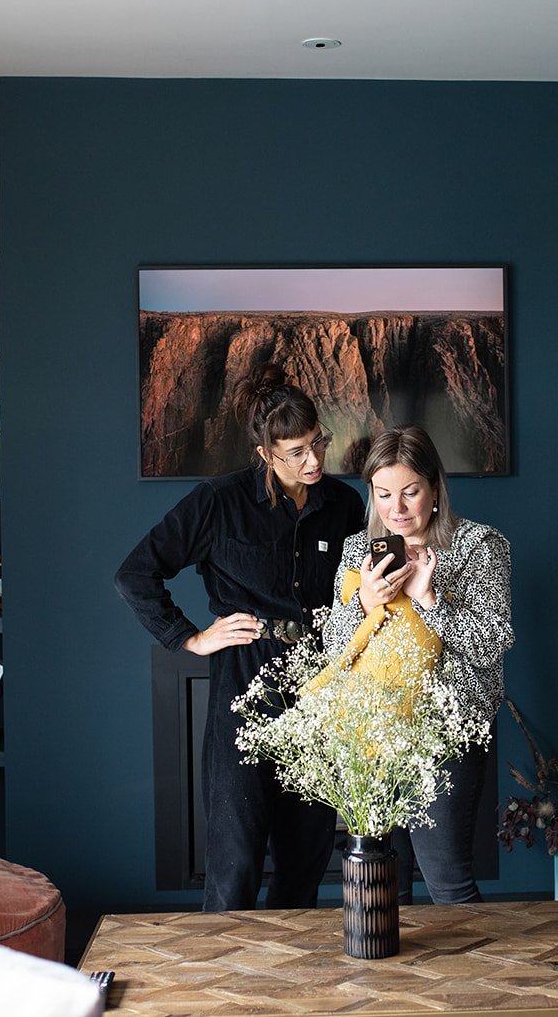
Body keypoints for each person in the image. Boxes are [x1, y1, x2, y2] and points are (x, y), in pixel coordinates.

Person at [114, 364, 364, 912]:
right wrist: (190, 638)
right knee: (236, 861)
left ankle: (288, 968)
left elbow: (357, 595)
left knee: (305, 858)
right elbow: (135, 573)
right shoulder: (218, 502)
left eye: (317, 442)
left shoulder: (345, 506)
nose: (314, 460)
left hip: (320, 690)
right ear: (264, 454)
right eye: (295, 452)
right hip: (244, 685)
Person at [321, 425, 513, 904]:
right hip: (377, 730)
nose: (397, 509)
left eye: (410, 492)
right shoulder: (357, 550)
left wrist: (429, 600)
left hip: (447, 731)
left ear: (435, 488)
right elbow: (335, 647)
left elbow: (493, 643)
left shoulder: (479, 546)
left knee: (447, 879)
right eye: (384, 494)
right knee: (386, 881)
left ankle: (474, 957)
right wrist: (364, 603)